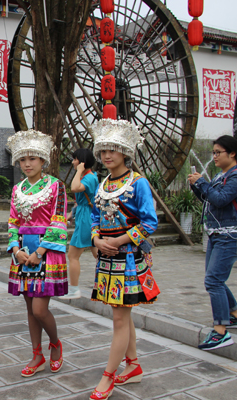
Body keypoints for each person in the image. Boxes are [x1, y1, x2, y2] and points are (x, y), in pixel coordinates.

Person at [89, 119, 159, 400]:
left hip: (127, 258)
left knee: (119, 318)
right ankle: (133, 366)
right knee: (121, 315)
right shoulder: (103, 183)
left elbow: (150, 223)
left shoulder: (138, 183)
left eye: (114, 149)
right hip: (107, 259)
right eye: (104, 149)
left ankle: (108, 377)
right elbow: (95, 218)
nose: (107, 155)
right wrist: (95, 239)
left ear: (126, 152)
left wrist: (117, 241)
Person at [6, 130, 67, 377]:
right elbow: (12, 221)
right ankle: (36, 354)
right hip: (23, 251)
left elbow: (59, 220)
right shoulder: (17, 188)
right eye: (23, 159)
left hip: (46, 251)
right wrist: (15, 250)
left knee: (40, 309)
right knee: (30, 308)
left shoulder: (56, 186)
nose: (27, 163)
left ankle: (55, 344)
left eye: (32, 158)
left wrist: (40, 251)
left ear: (43, 160)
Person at [189, 135, 237, 351]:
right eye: (214, 153)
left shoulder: (235, 177)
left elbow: (220, 199)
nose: (214, 156)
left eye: (218, 152)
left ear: (232, 153)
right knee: (214, 279)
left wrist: (202, 182)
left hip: (229, 234)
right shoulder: (221, 175)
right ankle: (234, 313)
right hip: (216, 234)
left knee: (213, 281)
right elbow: (209, 199)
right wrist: (196, 186)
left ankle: (221, 331)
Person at [62, 148, 99, 299]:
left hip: (86, 218)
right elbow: (81, 200)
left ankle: (74, 289)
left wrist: (78, 171)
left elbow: (74, 187)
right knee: (98, 253)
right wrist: (71, 214)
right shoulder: (91, 176)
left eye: (75, 159)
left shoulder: (88, 178)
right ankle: (99, 285)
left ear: (82, 161)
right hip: (86, 214)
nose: (73, 162)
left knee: (73, 255)